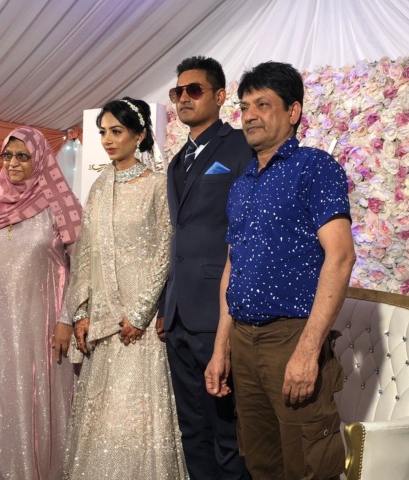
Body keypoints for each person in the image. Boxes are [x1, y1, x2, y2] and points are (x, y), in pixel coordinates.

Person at [205, 61, 356, 480]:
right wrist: (221, 348)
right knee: (261, 463)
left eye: (262, 104)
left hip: (291, 337)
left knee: (309, 464)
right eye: (244, 106)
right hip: (243, 339)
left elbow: (341, 257)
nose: (249, 115)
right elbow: (233, 266)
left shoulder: (315, 167)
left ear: (293, 111)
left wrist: (308, 352)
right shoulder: (242, 183)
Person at [58, 97, 187, 479]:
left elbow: (166, 251)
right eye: (103, 132)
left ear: (140, 134)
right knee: (104, 418)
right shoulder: (99, 187)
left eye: (117, 131)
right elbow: (86, 253)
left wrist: (141, 313)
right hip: (103, 323)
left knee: (136, 415)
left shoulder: (158, 186)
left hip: (140, 328)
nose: (108, 140)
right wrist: (81, 312)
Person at [0, 126, 82, 480]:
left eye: (23, 156)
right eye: (8, 155)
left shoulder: (59, 202)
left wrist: (66, 318)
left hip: (41, 324)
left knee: (34, 395)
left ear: (40, 159)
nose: (12, 163)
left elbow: (80, 267)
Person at [162, 55, 251, 479]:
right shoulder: (178, 159)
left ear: (219, 96)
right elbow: (179, 237)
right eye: (177, 91)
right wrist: (167, 304)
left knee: (226, 430)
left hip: (218, 311)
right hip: (179, 313)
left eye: (194, 90)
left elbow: (243, 231)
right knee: (191, 428)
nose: (184, 98)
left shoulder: (240, 146)